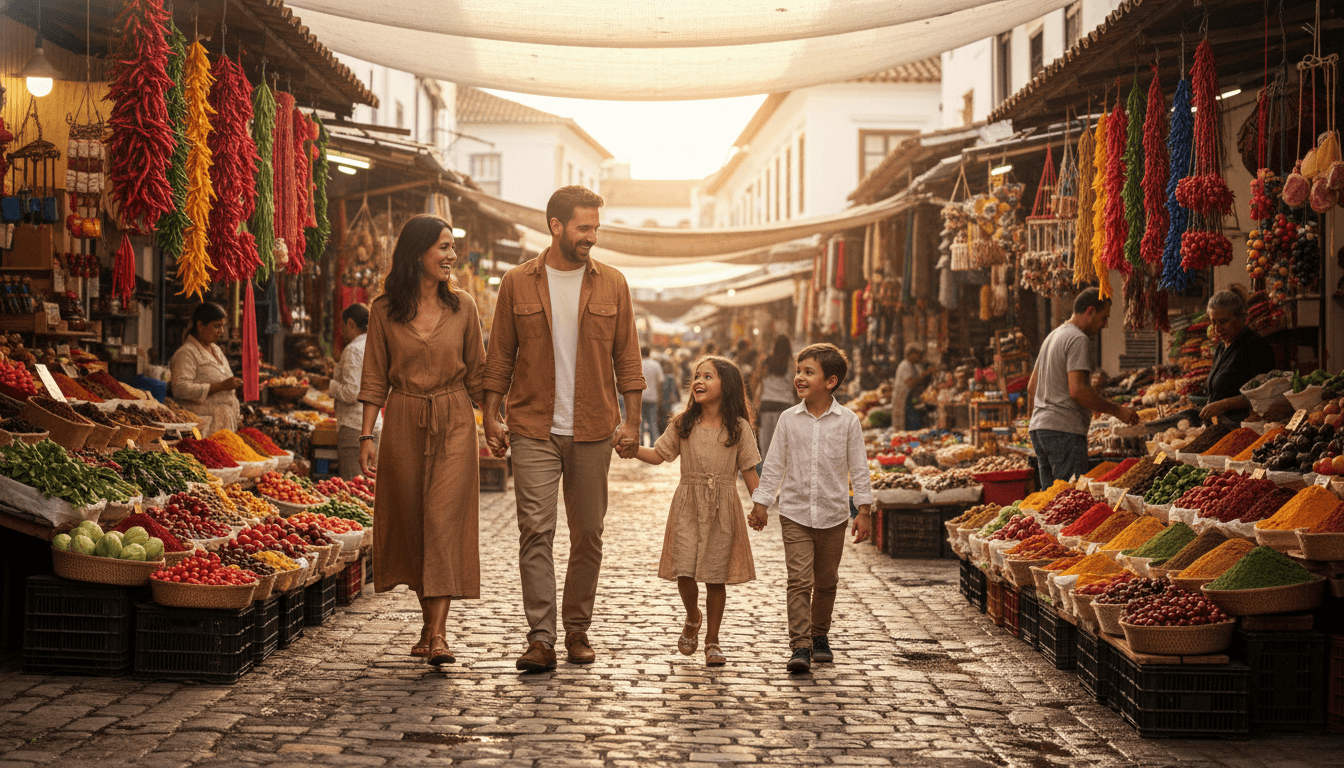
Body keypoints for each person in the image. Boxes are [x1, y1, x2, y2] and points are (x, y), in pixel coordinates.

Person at [482, 185, 645, 673]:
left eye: (596, 227)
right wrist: (490, 414)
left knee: (588, 533)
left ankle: (577, 629)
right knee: (535, 530)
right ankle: (541, 638)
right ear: (556, 226)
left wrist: (633, 420)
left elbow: (628, 358)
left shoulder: (613, 283)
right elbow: (500, 355)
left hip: (594, 427)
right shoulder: (517, 282)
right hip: (533, 426)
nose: (592, 236)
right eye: (583, 227)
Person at [357, 214, 486, 667]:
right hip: (403, 419)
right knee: (414, 521)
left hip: (454, 419)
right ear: (417, 253)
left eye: (453, 247)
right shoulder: (383, 310)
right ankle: (428, 627)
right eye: (444, 247)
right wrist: (367, 434)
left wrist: (495, 421)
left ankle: (438, 633)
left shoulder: (464, 306)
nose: (453, 255)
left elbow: (479, 372)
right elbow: (374, 375)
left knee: (443, 519)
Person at [625, 356, 761, 666]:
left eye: (708, 376)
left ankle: (713, 640)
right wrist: (633, 450)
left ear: (727, 386)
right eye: (697, 376)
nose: (699, 381)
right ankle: (692, 615)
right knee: (684, 571)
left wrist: (760, 505)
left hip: (722, 508)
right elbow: (659, 455)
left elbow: (750, 472)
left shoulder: (739, 428)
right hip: (687, 505)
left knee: (715, 576)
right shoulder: (683, 422)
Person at [748, 343, 873, 673]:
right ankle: (800, 645)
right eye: (798, 371)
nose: (799, 377)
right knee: (799, 581)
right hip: (795, 514)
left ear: (830, 382)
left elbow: (859, 467)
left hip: (833, 515)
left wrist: (864, 509)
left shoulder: (848, 421)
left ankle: (820, 636)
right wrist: (761, 503)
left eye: (808, 372)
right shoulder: (788, 419)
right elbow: (773, 465)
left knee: (827, 581)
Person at [1026, 287, 1139, 489]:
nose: (1105, 324)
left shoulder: (1052, 336)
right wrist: (1118, 410)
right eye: (1104, 318)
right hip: (1063, 432)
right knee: (1070, 497)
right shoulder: (1078, 339)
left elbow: (1031, 387)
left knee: (1050, 500)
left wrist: (1037, 421)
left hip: (1040, 430)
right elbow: (1078, 391)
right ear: (1090, 312)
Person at [1199, 285, 1275, 425]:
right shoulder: (1222, 347)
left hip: (1246, 426)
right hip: (1222, 426)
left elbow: (1263, 394)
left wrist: (1224, 404)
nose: (1217, 329)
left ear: (1240, 318)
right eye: (1213, 322)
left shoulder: (1255, 346)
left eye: (1223, 322)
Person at [170, 302, 243, 434]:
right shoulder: (186, 353)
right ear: (200, 326)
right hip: (204, 430)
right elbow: (179, 388)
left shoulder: (216, 350)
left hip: (225, 427)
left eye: (223, 326)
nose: (222, 331)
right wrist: (220, 386)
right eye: (216, 326)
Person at [329, 303, 381, 479]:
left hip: (354, 428)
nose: (343, 332)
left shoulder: (353, 349)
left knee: (354, 484)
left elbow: (352, 393)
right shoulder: (377, 346)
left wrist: (332, 386)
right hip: (376, 425)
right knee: (370, 485)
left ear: (350, 323)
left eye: (344, 326)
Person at [754, 334, 797, 460]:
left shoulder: (766, 362)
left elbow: (755, 379)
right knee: (784, 446)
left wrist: (755, 398)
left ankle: (767, 470)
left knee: (767, 445)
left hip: (767, 404)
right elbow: (796, 386)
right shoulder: (792, 365)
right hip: (786, 406)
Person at [892, 342, 935, 431]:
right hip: (904, 400)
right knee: (905, 425)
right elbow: (911, 382)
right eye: (918, 354)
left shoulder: (916, 365)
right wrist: (926, 374)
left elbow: (922, 374)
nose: (920, 356)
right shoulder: (905, 366)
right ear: (911, 353)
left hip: (912, 399)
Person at [640, 346, 665, 447]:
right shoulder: (655, 364)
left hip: (640, 397)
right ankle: (653, 445)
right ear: (649, 353)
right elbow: (660, 382)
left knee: (640, 422)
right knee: (652, 422)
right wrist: (660, 396)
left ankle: (640, 444)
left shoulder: (638, 364)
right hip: (653, 397)